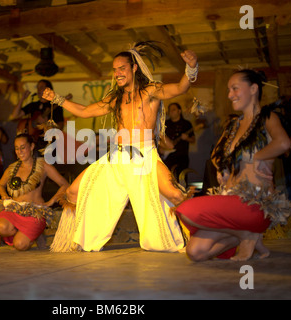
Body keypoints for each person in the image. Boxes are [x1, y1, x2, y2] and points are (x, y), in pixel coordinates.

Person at [43, 41, 197, 253]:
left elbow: (180, 88)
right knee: (73, 190)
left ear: (134, 67)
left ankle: (200, 237)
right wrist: (58, 99)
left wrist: (191, 68)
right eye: (115, 70)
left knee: (175, 194)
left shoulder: (150, 91)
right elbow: (86, 111)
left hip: (144, 156)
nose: (117, 73)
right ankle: (80, 239)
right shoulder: (116, 99)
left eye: (122, 68)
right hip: (117, 158)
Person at [175, 69, 291, 262]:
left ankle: (246, 234)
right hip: (230, 203)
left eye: (235, 88)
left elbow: (283, 143)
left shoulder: (267, 118)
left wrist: (258, 157)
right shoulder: (233, 126)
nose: (230, 95)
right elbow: (215, 155)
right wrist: (223, 168)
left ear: (253, 89)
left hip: (254, 204)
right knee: (195, 252)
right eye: (229, 90)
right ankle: (245, 235)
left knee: (185, 209)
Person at [0, 133, 69, 251]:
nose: (20, 151)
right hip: (14, 210)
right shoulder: (12, 168)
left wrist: (50, 202)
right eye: (17, 148)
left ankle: (34, 235)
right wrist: (4, 196)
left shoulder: (43, 165)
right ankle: (27, 233)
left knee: (20, 245)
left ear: (32, 146)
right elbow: (0, 184)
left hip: (35, 212)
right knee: (1, 228)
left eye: (23, 147)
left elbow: (64, 184)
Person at [159, 102, 196, 181]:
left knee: (181, 178)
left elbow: (193, 139)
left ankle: (183, 192)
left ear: (179, 111)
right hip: (168, 157)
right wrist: (161, 148)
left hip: (181, 156)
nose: (171, 111)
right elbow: (159, 139)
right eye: (170, 110)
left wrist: (187, 138)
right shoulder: (165, 124)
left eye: (173, 110)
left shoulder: (186, 124)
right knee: (167, 178)